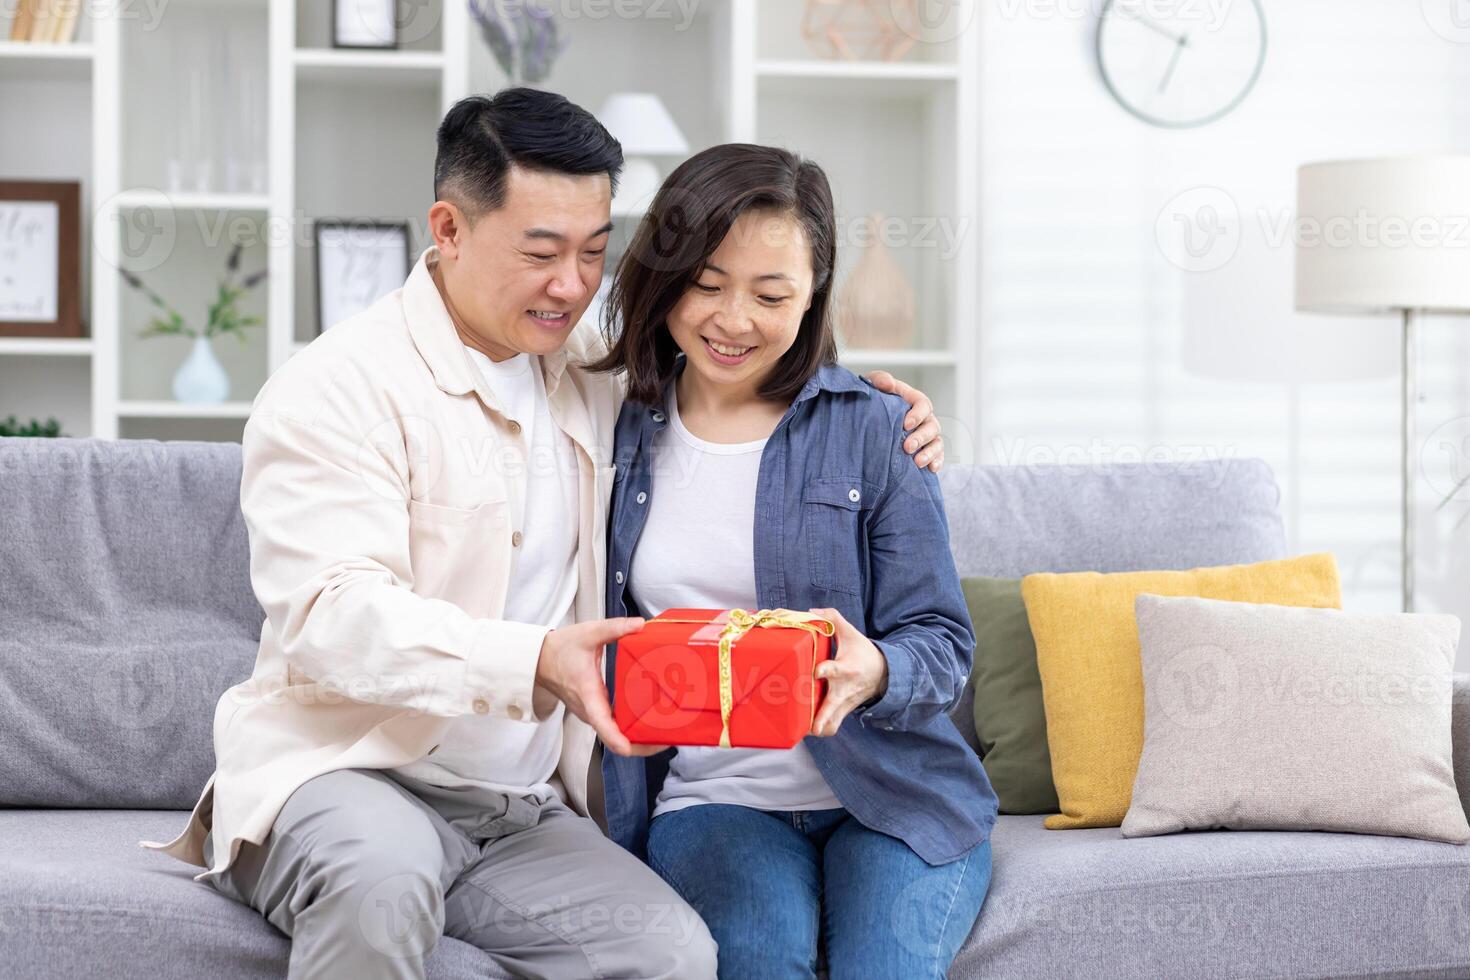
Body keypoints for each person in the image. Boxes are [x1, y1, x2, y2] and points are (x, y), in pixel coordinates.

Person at [139, 90, 947, 979]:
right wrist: (531, 662)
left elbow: (735, 375)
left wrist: (873, 408)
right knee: (381, 886)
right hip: (348, 772)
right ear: (448, 228)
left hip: (520, 805)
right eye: (541, 252)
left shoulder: (594, 380)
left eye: (595, 252)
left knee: (672, 954)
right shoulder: (336, 388)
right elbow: (332, 616)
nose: (572, 283)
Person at [593, 143, 998, 980]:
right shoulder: (611, 426)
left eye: (771, 294)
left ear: (813, 296)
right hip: (716, 804)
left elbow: (944, 642)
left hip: (894, 797)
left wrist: (877, 668)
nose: (733, 320)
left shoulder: (874, 428)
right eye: (706, 283)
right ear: (663, 274)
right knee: (760, 958)